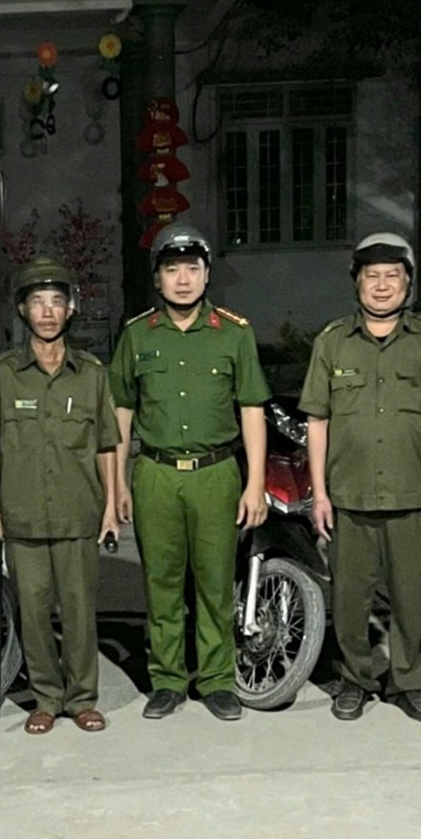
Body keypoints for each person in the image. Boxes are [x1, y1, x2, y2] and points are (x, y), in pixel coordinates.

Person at [298, 233, 421, 723]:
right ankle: (355, 680)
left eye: (393, 276)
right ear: (357, 282)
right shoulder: (332, 342)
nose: (382, 285)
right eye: (372, 276)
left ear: (408, 283)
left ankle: (410, 682)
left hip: (414, 496)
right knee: (350, 600)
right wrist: (320, 494)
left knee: (413, 598)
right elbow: (317, 421)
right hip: (348, 498)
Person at [108, 222, 271, 722]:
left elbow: (251, 409)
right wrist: (116, 483)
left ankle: (217, 679)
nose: (183, 280)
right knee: (161, 583)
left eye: (192, 269)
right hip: (155, 474)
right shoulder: (137, 335)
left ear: (207, 275)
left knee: (215, 583)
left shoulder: (234, 334)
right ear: (157, 279)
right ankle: (168, 679)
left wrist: (256, 483)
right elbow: (121, 413)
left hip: (215, 474)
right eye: (172, 270)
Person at [0, 256, 121, 734]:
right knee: (34, 612)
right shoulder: (4, 373)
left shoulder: (91, 374)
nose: (46, 311)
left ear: (70, 309)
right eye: (37, 301)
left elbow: (106, 445)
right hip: (23, 516)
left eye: (56, 301)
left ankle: (81, 699)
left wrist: (110, 507)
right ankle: (45, 698)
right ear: (22, 309)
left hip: (78, 513)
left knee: (80, 612)